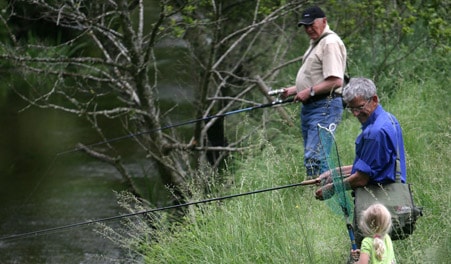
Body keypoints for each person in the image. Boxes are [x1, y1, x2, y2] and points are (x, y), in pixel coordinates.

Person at [314, 77, 407, 254]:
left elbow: (363, 178)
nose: (355, 113)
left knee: (364, 253)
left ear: (374, 99)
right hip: (387, 201)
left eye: (359, 107)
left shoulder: (375, 132)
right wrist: (334, 172)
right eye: (351, 108)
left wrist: (333, 188)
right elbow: (373, 165)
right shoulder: (388, 119)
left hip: (375, 205)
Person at [280, 6, 347, 179]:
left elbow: (335, 81)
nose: (308, 29)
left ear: (324, 21)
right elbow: (318, 78)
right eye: (305, 26)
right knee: (312, 155)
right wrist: (294, 90)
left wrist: (308, 92)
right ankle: (317, 193)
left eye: (312, 24)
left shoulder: (330, 42)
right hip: (312, 106)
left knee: (317, 155)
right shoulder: (317, 43)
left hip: (325, 104)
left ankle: (325, 192)